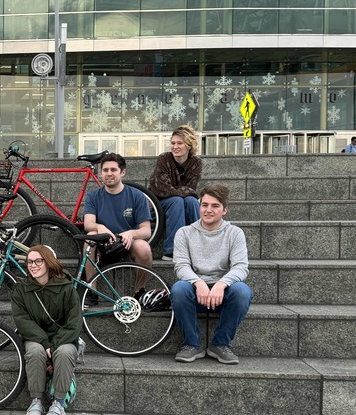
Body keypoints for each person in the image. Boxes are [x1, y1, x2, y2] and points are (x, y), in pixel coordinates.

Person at [170, 184, 252, 365]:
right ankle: (192, 344)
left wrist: (221, 285)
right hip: (195, 293)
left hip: (222, 294)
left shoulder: (235, 233)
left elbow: (240, 267)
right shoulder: (184, 233)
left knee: (242, 291)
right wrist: (198, 283)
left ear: (224, 210)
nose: (208, 210)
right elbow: (181, 266)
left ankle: (221, 344)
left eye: (215, 206)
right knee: (179, 289)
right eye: (204, 205)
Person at [11, 245, 81, 415]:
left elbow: (74, 322)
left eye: (37, 261)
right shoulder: (21, 289)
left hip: (63, 338)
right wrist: (45, 343)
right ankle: (36, 402)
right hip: (36, 338)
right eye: (29, 262)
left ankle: (58, 404)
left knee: (64, 352)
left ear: (48, 262)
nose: (32, 265)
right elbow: (22, 320)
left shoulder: (66, 288)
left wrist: (55, 345)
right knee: (35, 351)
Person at [83, 152, 153, 280]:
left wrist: (131, 233)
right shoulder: (93, 196)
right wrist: (100, 227)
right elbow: (88, 224)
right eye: (105, 170)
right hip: (103, 245)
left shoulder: (137, 196)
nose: (109, 173)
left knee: (144, 248)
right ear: (101, 173)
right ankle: (91, 291)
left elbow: (146, 231)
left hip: (127, 245)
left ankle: (139, 292)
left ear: (122, 172)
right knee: (90, 237)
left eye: (113, 169)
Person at [148, 124, 202, 261]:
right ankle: (172, 250)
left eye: (179, 143)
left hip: (180, 202)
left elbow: (192, 188)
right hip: (157, 203)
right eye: (173, 143)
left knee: (191, 201)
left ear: (189, 146)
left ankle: (198, 247)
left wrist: (184, 193)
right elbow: (162, 188)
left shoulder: (196, 162)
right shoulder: (164, 159)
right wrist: (183, 192)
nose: (175, 147)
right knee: (178, 201)